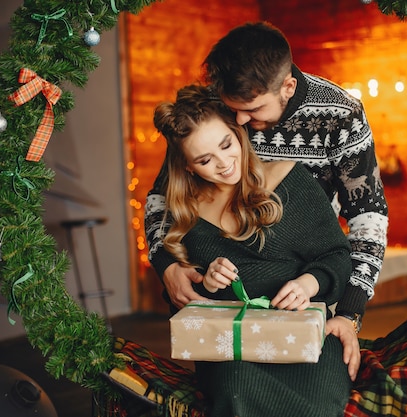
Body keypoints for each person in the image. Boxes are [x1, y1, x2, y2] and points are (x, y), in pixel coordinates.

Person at [145, 21, 388, 381]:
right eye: (233, 110)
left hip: (312, 281)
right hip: (230, 290)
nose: (239, 120)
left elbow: (368, 218)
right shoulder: (218, 102)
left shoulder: (341, 115)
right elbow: (161, 198)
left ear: (287, 86)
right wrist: (165, 264)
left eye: (252, 110)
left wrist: (349, 314)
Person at [153, 84, 354, 417]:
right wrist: (207, 280)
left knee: (317, 402)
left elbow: (336, 255)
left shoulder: (289, 180)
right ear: (188, 167)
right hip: (232, 349)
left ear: (238, 132)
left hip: (301, 332)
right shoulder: (185, 211)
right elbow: (187, 300)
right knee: (237, 390)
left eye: (226, 144)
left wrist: (308, 284)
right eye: (205, 160)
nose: (224, 164)